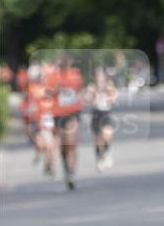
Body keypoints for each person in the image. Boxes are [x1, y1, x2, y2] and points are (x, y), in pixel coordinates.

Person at [48, 55, 84, 190]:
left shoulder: (75, 74)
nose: (62, 65)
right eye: (60, 63)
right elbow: (48, 93)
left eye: (64, 63)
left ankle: (71, 172)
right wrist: (56, 90)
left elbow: (78, 90)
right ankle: (66, 167)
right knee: (64, 147)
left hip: (72, 113)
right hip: (58, 114)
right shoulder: (52, 77)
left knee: (71, 143)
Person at [85, 67, 118, 171]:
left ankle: (107, 153)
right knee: (98, 139)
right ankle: (99, 159)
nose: (99, 77)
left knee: (107, 135)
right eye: (97, 75)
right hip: (96, 113)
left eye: (101, 75)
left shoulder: (109, 85)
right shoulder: (92, 86)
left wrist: (110, 91)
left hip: (106, 112)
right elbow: (88, 100)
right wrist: (93, 93)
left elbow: (113, 100)